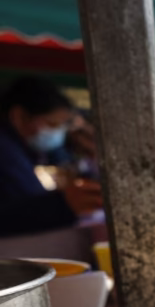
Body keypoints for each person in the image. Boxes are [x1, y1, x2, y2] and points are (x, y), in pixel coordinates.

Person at [0, 77, 102, 237]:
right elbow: (18, 211)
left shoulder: (25, 149)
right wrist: (64, 204)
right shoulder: (6, 151)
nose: (57, 133)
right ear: (19, 116)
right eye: (52, 125)